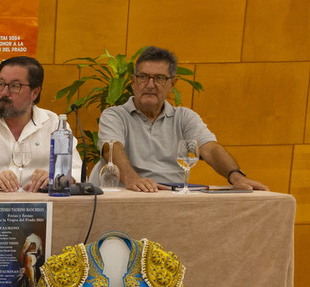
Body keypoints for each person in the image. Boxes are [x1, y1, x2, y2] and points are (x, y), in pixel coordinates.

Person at [98, 46, 268, 192]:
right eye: (143, 77)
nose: (150, 85)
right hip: (132, 196)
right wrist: (133, 180)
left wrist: (236, 177)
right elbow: (111, 149)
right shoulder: (115, 115)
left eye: (159, 78)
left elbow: (209, 149)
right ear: (133, 82)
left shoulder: (185, 117)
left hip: (174, 198)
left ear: (172, 84)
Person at [0, 56, 80, 192]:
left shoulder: (54, 125)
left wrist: (57, 178)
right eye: (0, 84)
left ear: (34, 93)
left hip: (40, 207)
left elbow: (77, 170)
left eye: (14, 86)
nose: (4, 92)